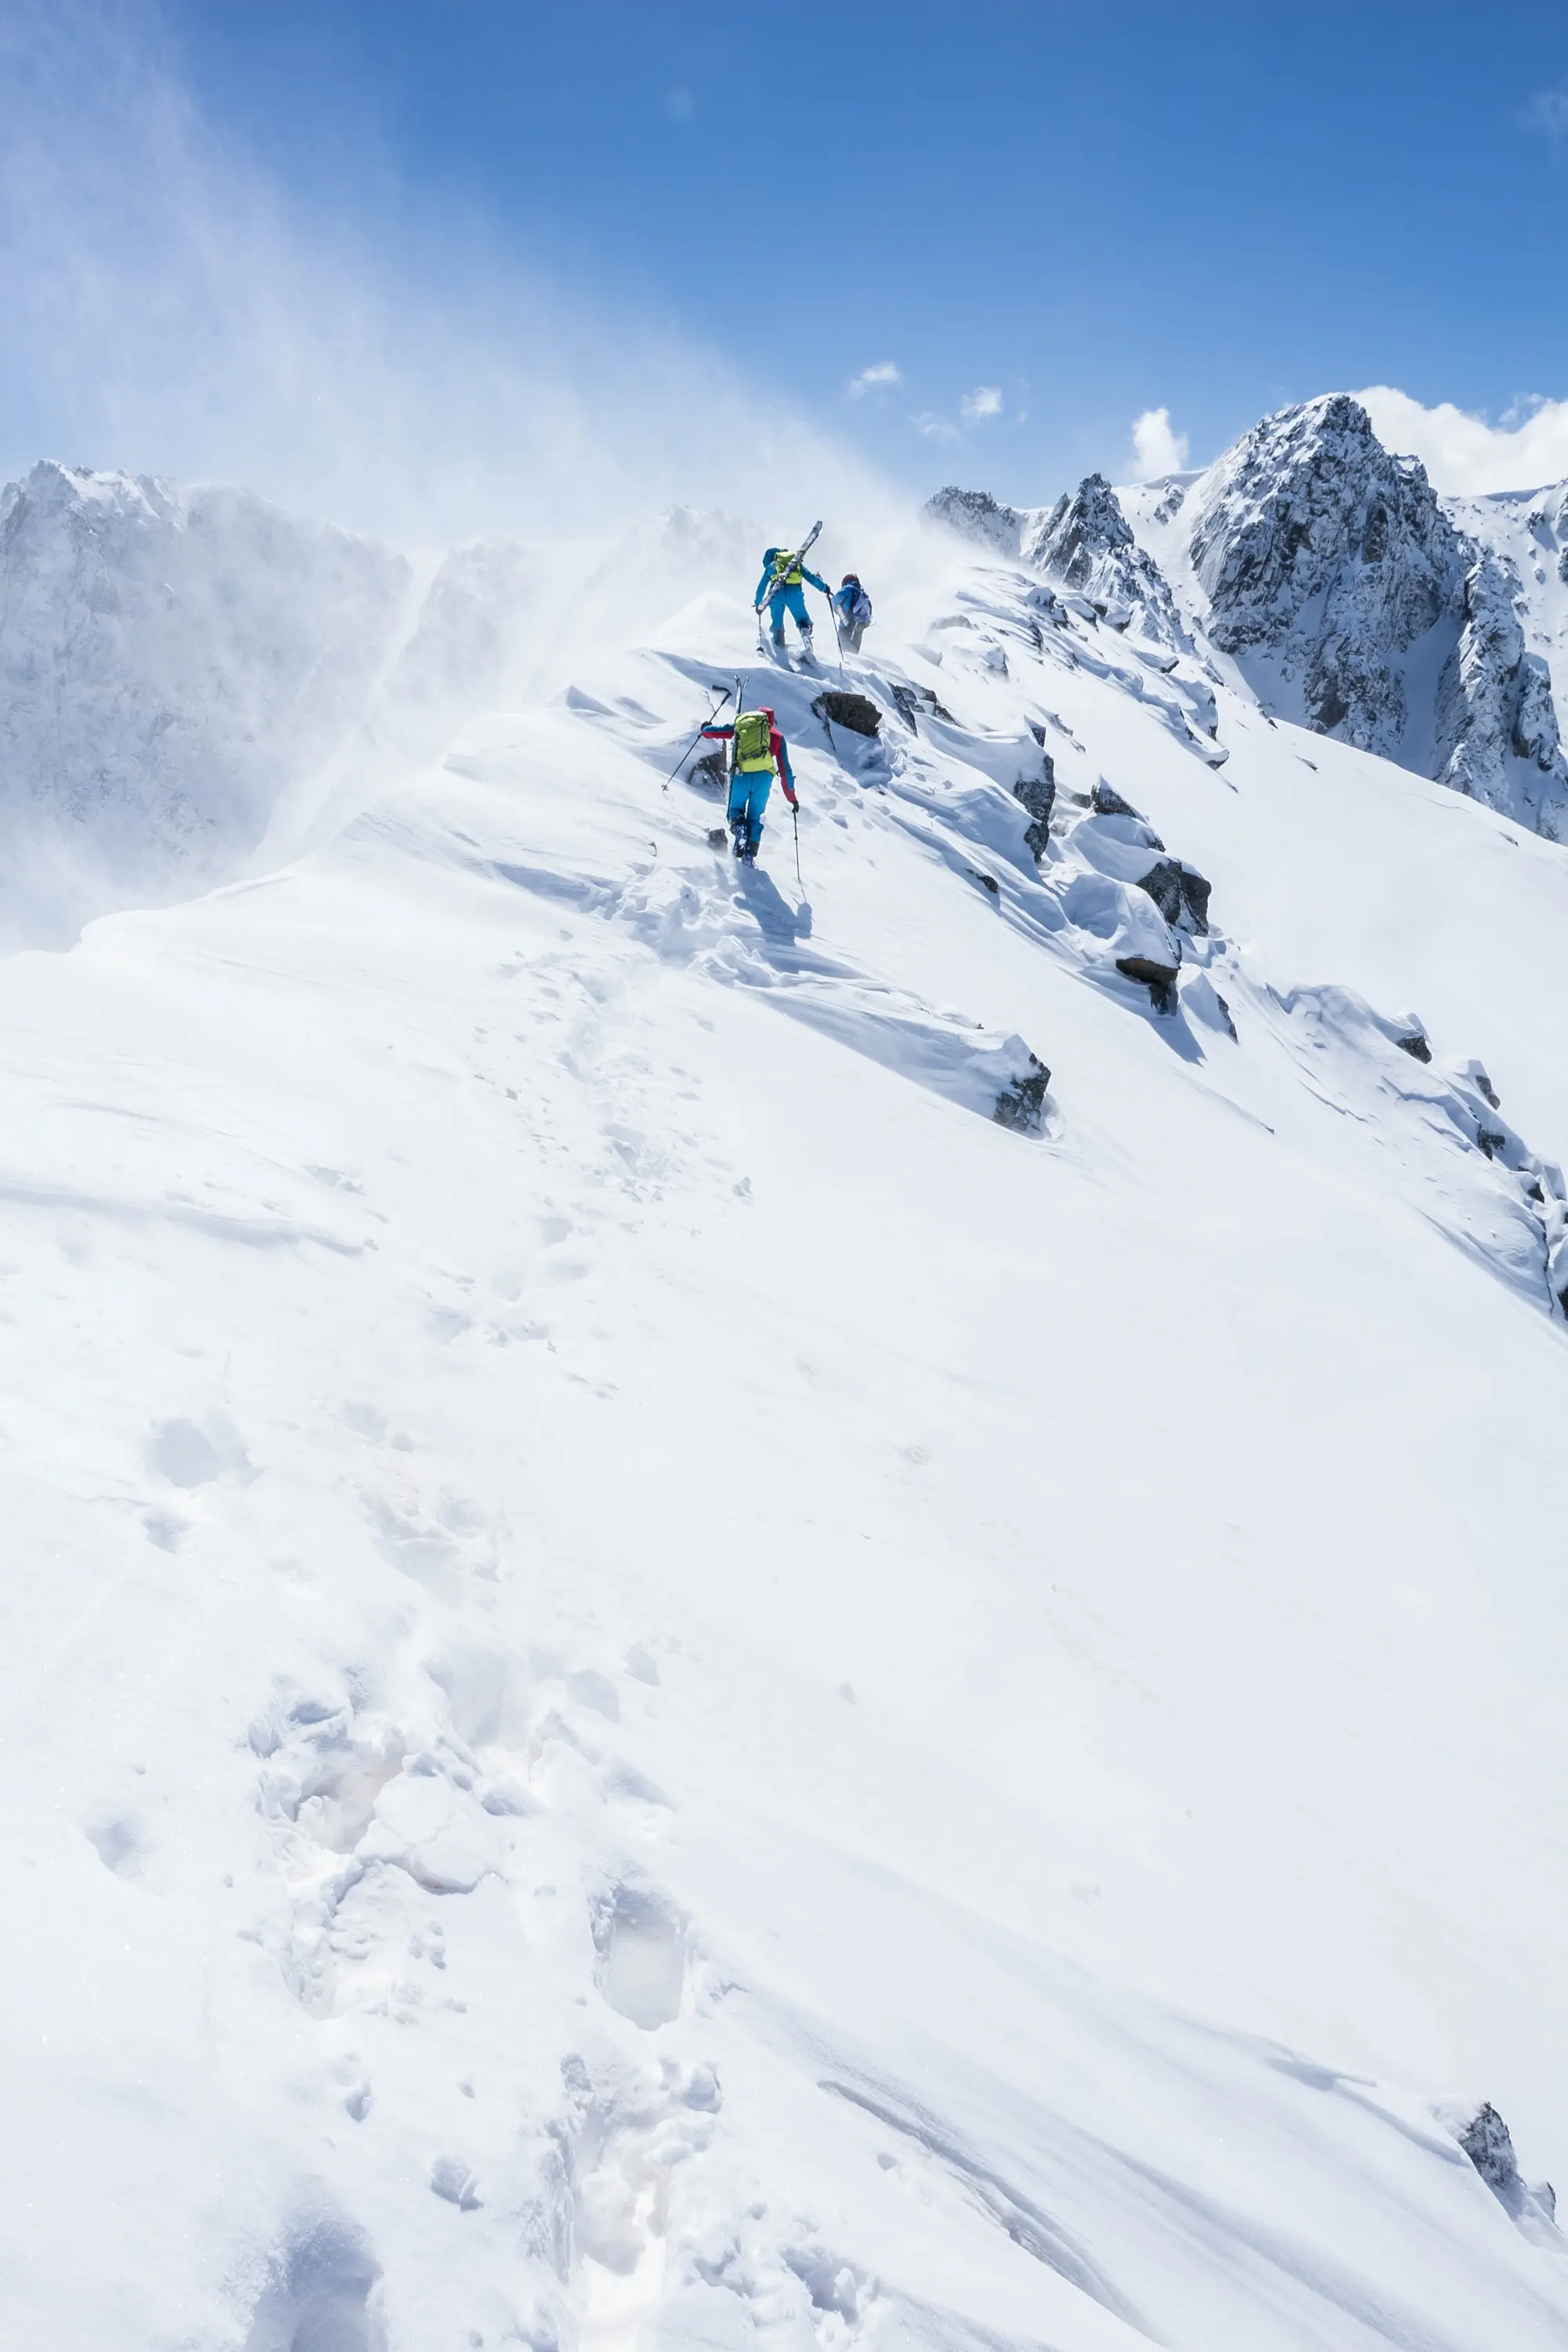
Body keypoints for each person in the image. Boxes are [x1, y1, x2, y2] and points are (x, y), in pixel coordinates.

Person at [699, 704, 798, 863]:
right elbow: (785, 769)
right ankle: (750, 855)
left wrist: (705, 730)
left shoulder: (743, 727)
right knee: (754, 818)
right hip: (763, 779)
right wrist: (792, 797)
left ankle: (739, 828)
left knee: (735, 810)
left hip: (741, 775)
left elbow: (720, 731)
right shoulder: (778, 738)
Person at [755, 545, 829, 656]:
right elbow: (811, 578)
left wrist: (758, 603)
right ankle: (805, 631)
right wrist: (824, 588)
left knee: (777, 619)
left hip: (776, 594)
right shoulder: (795, 563)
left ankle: (778, 641)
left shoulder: (772, 565)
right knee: (802, 618)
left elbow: (762, 586)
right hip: (794, 592)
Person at [832, 572, 873, 653]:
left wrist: (837, 609)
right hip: (860, 627)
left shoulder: (848, 588)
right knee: (853, 653)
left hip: (846, 623)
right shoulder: (863, 595)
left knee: (843, 650)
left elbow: (835, 600)